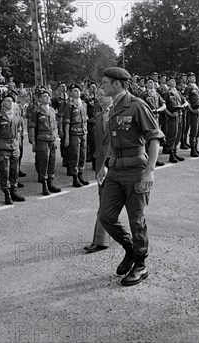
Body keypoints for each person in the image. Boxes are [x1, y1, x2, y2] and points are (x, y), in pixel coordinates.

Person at [97, 67, 164, 286]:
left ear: (117, 84)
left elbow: (154, 138)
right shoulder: (113, 107)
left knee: (136, 220)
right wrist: (105, 165)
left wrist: (150, 170)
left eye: (105, 82)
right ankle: (130, 250)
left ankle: (141, 264)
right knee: (106, 216)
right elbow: (113, 139)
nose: (102, 86)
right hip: (115, 170)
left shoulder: (137, 106)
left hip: (136, 170)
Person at [84, 87, 112, 254]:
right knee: (105, 202)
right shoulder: (99, 116)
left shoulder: (120, 114)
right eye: (97, 95)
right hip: (102, 165)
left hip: (117, 164)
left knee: (130, 207)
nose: (99, 98)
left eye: (103, 95)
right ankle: (101, 239)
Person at [0, 92, 25, 204]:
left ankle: (14, 190)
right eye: (8, 101)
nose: (10, 103)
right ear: (3, 103)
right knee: (5, 171)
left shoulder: (16, 115)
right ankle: (6, 193)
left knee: (14, 170)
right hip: (2, 146)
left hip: (14, 146)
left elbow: (19, 130)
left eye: (12, 101)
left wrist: (18, 144)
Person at [28, 89, 62, 196]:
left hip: (51, 139)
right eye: (44, 96)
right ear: (39, 99)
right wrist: (33, 142)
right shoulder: (36, 111)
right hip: (41, 139)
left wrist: (56, 138)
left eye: (48, 96)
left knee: (52, 161)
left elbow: (54, 126)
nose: (47, 97)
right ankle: (44, 185)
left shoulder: (52, 110)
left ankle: (50, 182)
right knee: (44, 161)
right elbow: (32, 127)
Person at [64, 84, 90, 187]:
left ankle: (81, 175)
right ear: (70, 93)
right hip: (74, 132)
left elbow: (86, 119)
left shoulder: (84, 104)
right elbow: (66, 122)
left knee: (83, 155)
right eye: (74, 91)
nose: (77, 92)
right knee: (75, 155)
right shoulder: (69, 105)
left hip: (83, 132)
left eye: (78, 90)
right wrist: (66, 136)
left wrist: (86, 130)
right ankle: (75, 177)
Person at [161, 76, 189, 163]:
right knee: (172, 134)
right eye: (171, 81)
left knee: (179, 134)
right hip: (171, 117)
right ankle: (171, 154)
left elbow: (185, 101)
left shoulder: (178, 92)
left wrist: (184, 105)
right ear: (167, 83)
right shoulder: (167, 93)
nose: (174, 82)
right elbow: (163, 106)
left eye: (174, 80)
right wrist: (170, 113)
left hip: (180, 115)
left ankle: (175, 151)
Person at [141, 77, 167, 166]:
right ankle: (148, 159)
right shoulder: (144, 94)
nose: (151, 84)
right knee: (148, 138)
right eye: (149, 82)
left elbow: (164, 105)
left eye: (152, 82)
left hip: (156, 117)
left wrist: (158, 110)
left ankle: (155, 158)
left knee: (156, 137)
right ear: (146, 84)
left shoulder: (157, 94)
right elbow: (140, 106)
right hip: (148, 118)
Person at [52, 81, 70, 170]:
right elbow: (52, 110)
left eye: (65, 86)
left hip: (70, 120)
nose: (64, 88)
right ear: (59, 88)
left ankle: (69, 157)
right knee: (63, 139)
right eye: (62, 86)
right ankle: (64, 158)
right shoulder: (56, 99)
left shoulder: (69, 98)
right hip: (61, 120)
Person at [82, 81, 99, 170]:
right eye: (92, 87)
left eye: (95, 87)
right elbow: (83, 109)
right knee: (92, 141)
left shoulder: (100, 98)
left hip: (99, 122)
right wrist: (88, 118)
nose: (94, 89)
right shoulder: (87, 99)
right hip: (90, 123)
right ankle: (93, 161)